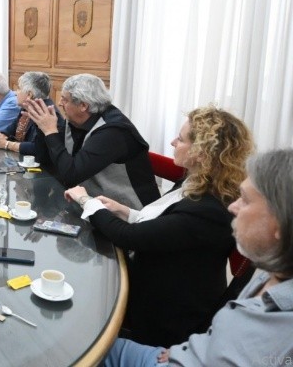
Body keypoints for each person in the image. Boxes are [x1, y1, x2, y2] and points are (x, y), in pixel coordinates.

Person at [65, 107, 254, 347]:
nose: (173, 142)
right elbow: (166, 225)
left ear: (202, 153)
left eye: (181, 139)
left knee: (81, 312)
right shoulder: (199, 180)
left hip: (167, 316)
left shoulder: (209, 208)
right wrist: (124, 210)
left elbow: (129, 237)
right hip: (161, 282)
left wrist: (86, 201)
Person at [102, 148, 293, 366]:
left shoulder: (276, 329)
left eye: (246, 200)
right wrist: (188, 348)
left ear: (280, 224)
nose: (233, 206)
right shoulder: (272, 275)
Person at [26, 73, 159, 208]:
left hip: (130, 212)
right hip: (91, 204)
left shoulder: (113, 131)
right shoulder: (77, 121)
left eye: (65, 99)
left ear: (83, 105)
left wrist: (50, 131)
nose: (60, 103)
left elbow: (71, 176)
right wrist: (41, 127)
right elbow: (47, 161)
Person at [0, 71, 63, 155]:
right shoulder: (26, 108)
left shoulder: (47, 114)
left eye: (19, 88)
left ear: (29, 94)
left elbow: (37, 148)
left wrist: (7, 144)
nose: (16, 92)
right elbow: (11, 129)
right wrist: (0, 134)